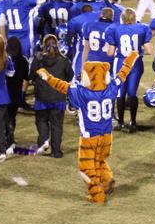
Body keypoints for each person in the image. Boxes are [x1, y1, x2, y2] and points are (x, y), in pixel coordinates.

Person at [37, 50, 137, 203]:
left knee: (87, 168)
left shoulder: (81, 93)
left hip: (89, 138)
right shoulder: (111, 88)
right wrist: (131, 58)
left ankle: (97, 195)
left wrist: (48, 77)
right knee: (100, 160)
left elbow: (62, 86)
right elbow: (122, 75)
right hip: (107, 136)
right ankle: (107, 179)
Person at [105, 8, 152, 132]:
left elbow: (110, 53)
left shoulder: (113, 29)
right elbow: (148, 51)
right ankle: (133, 122)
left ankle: (120, 122)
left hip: (120, 63)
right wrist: (137, 53)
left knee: (120, 93)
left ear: (122, 18)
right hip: (135, 63)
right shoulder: (142, 28)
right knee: (132, 93)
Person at [29, 34, 74, 158]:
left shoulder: (38, 59)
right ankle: (56, 151)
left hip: (42, 97)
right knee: (57, 124)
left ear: (43, 45)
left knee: (41, 120)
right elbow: (70, 76)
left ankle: (44, 140)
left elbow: (31, 76)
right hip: (58, 98)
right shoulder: (64, 60)